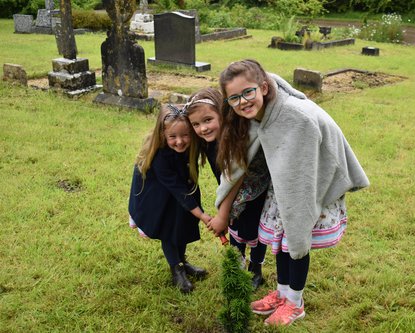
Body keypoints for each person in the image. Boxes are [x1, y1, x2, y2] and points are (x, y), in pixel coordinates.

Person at [212, 59, 370, 326]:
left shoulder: (296, 117)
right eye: (234, 98)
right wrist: (223, 207)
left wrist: (296, 208)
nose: (242, 102)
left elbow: (304, 176)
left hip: (309, 182)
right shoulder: (258, 112)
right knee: (279, 240)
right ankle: (282, 293)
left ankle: (295, 303)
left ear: (263, 87)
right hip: (284, 181)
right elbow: (242, 160)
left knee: (295, 238)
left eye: (247, 92)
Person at [185, 87, 270, 289]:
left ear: (222, 114)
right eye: (195, 124)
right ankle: (237, 265)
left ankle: (256, 269)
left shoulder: (233, 139)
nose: (203, 128)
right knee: (235, 227)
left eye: (207, 120)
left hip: (253, 190)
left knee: (255, 231)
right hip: (232, 191)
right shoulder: (208, 141)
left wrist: (222, 215)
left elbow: (235, 178)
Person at [128, 104, 211, 294]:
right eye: (173, 137)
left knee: (182, 225)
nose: (180, 142)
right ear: (163, 134)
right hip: (158, 196)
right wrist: (203, 216)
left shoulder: (194, 145)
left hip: (181, 189)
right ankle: (176, 269)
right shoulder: (160, 155)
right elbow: (177, 189)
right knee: (168, 229)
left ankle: (183, 260)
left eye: (185, 135)